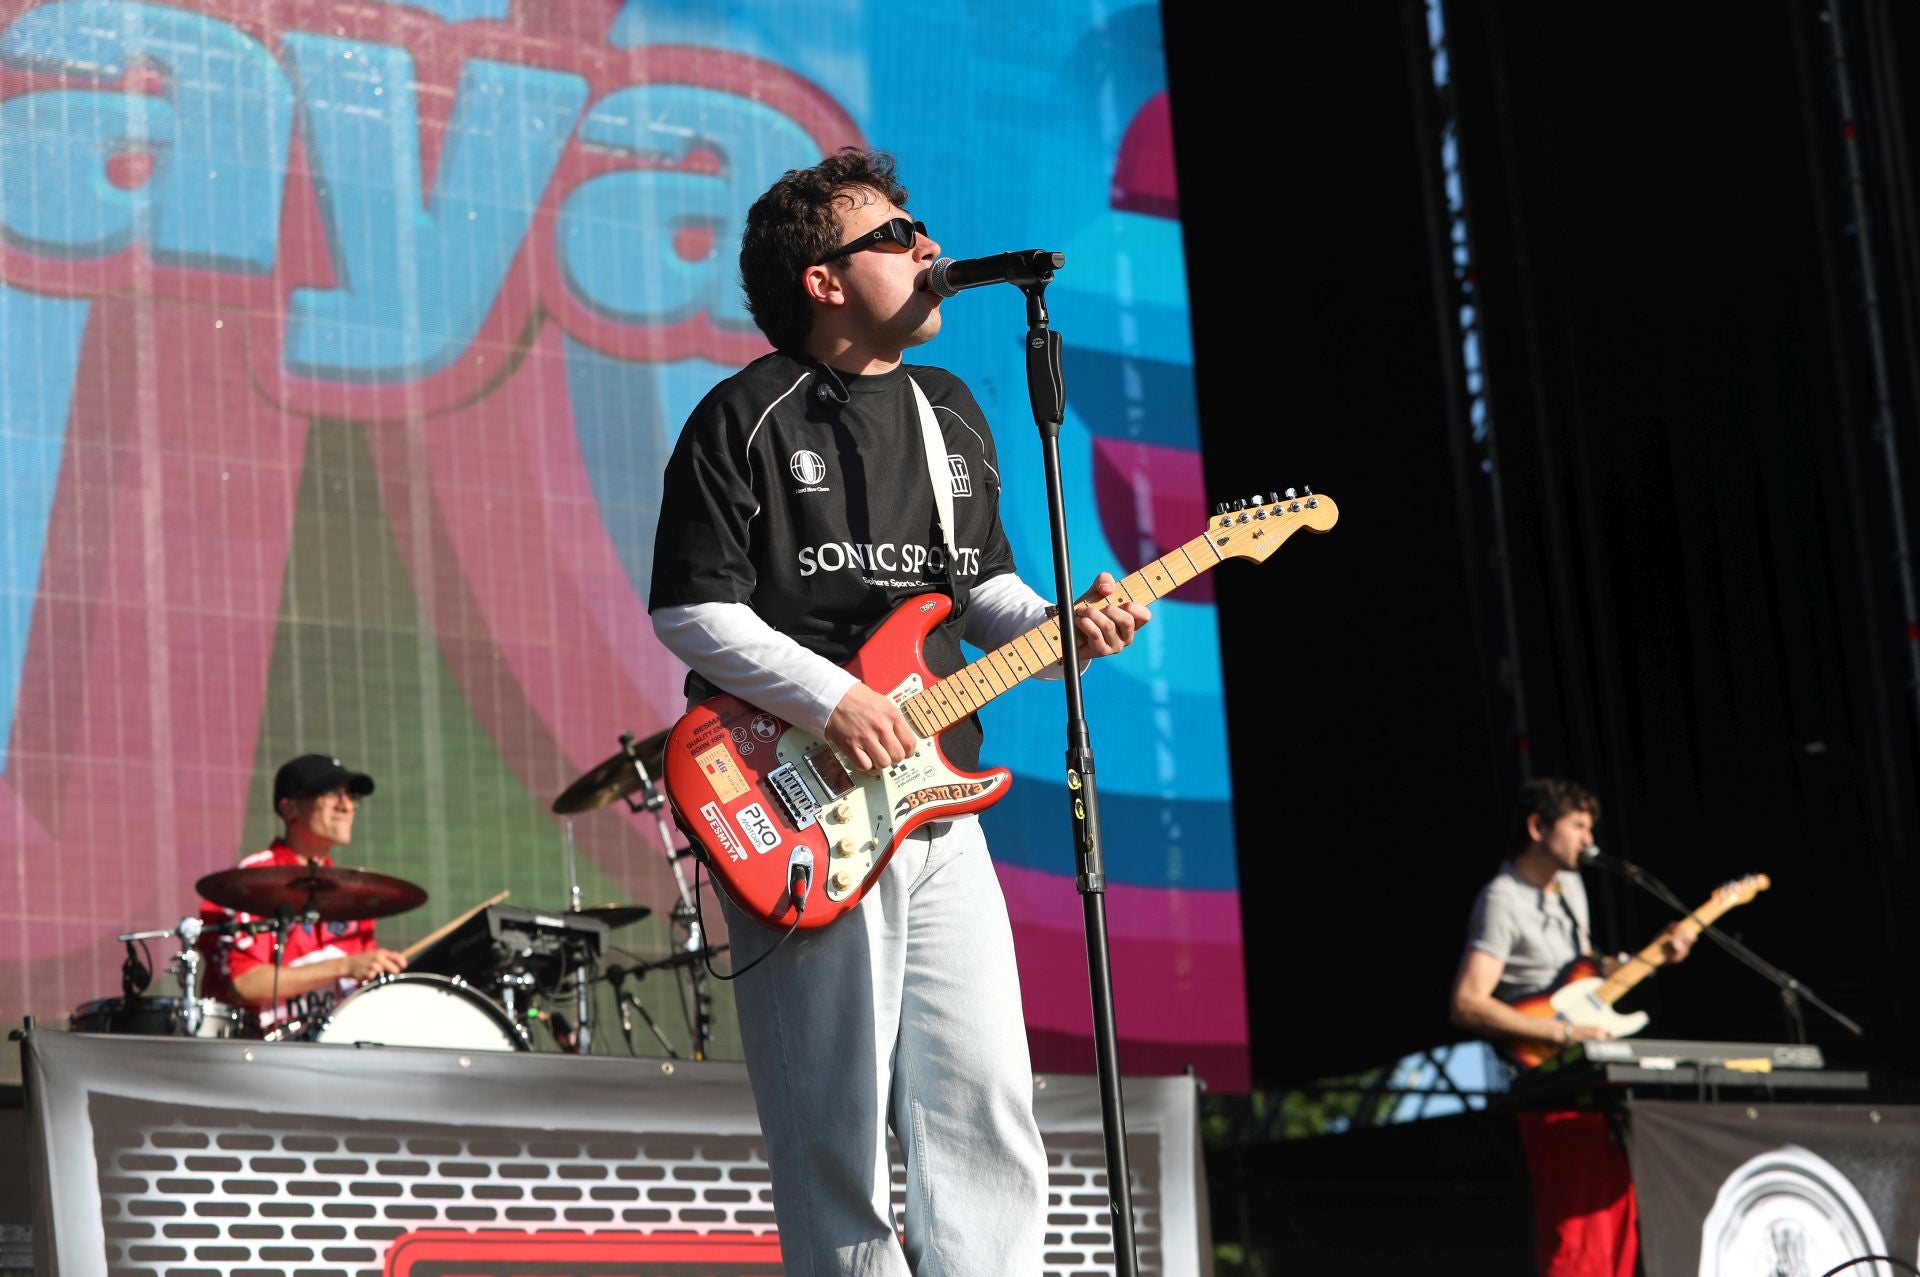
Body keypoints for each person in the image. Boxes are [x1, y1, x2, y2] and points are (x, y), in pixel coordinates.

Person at [648, 148, 1151, 1274]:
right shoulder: (745, 414)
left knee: (985, 1096)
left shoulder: (952, 411)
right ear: (824, 281)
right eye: (897, 233)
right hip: (800, 793)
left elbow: (979, 595)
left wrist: (1069, 621)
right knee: (836, 1126)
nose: (930, 247)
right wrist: (836, 699)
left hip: (936, 806)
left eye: (922, 230)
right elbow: (691, 608)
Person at [1449, 777, 1694, 1277]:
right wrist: (1564, 1035)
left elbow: (1582, 975)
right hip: (1550, 1079)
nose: (1589, 839)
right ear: (1539, 827)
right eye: (1578, 826)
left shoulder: (1571, 890)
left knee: (1617, 1218)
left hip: (1593, 1076)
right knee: (1576, 1236)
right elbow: (1468, 1003)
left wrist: (1647, 958)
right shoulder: (1502, 899)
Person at [199, 754, 408, 1033]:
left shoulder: (358, 891)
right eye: (331, 794)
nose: (346, 806)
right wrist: (345, 966)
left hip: (339, 1051)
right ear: (290, 809)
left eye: (351, 796)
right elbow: (245, 984)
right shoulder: (250, 882)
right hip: (257, 1054)